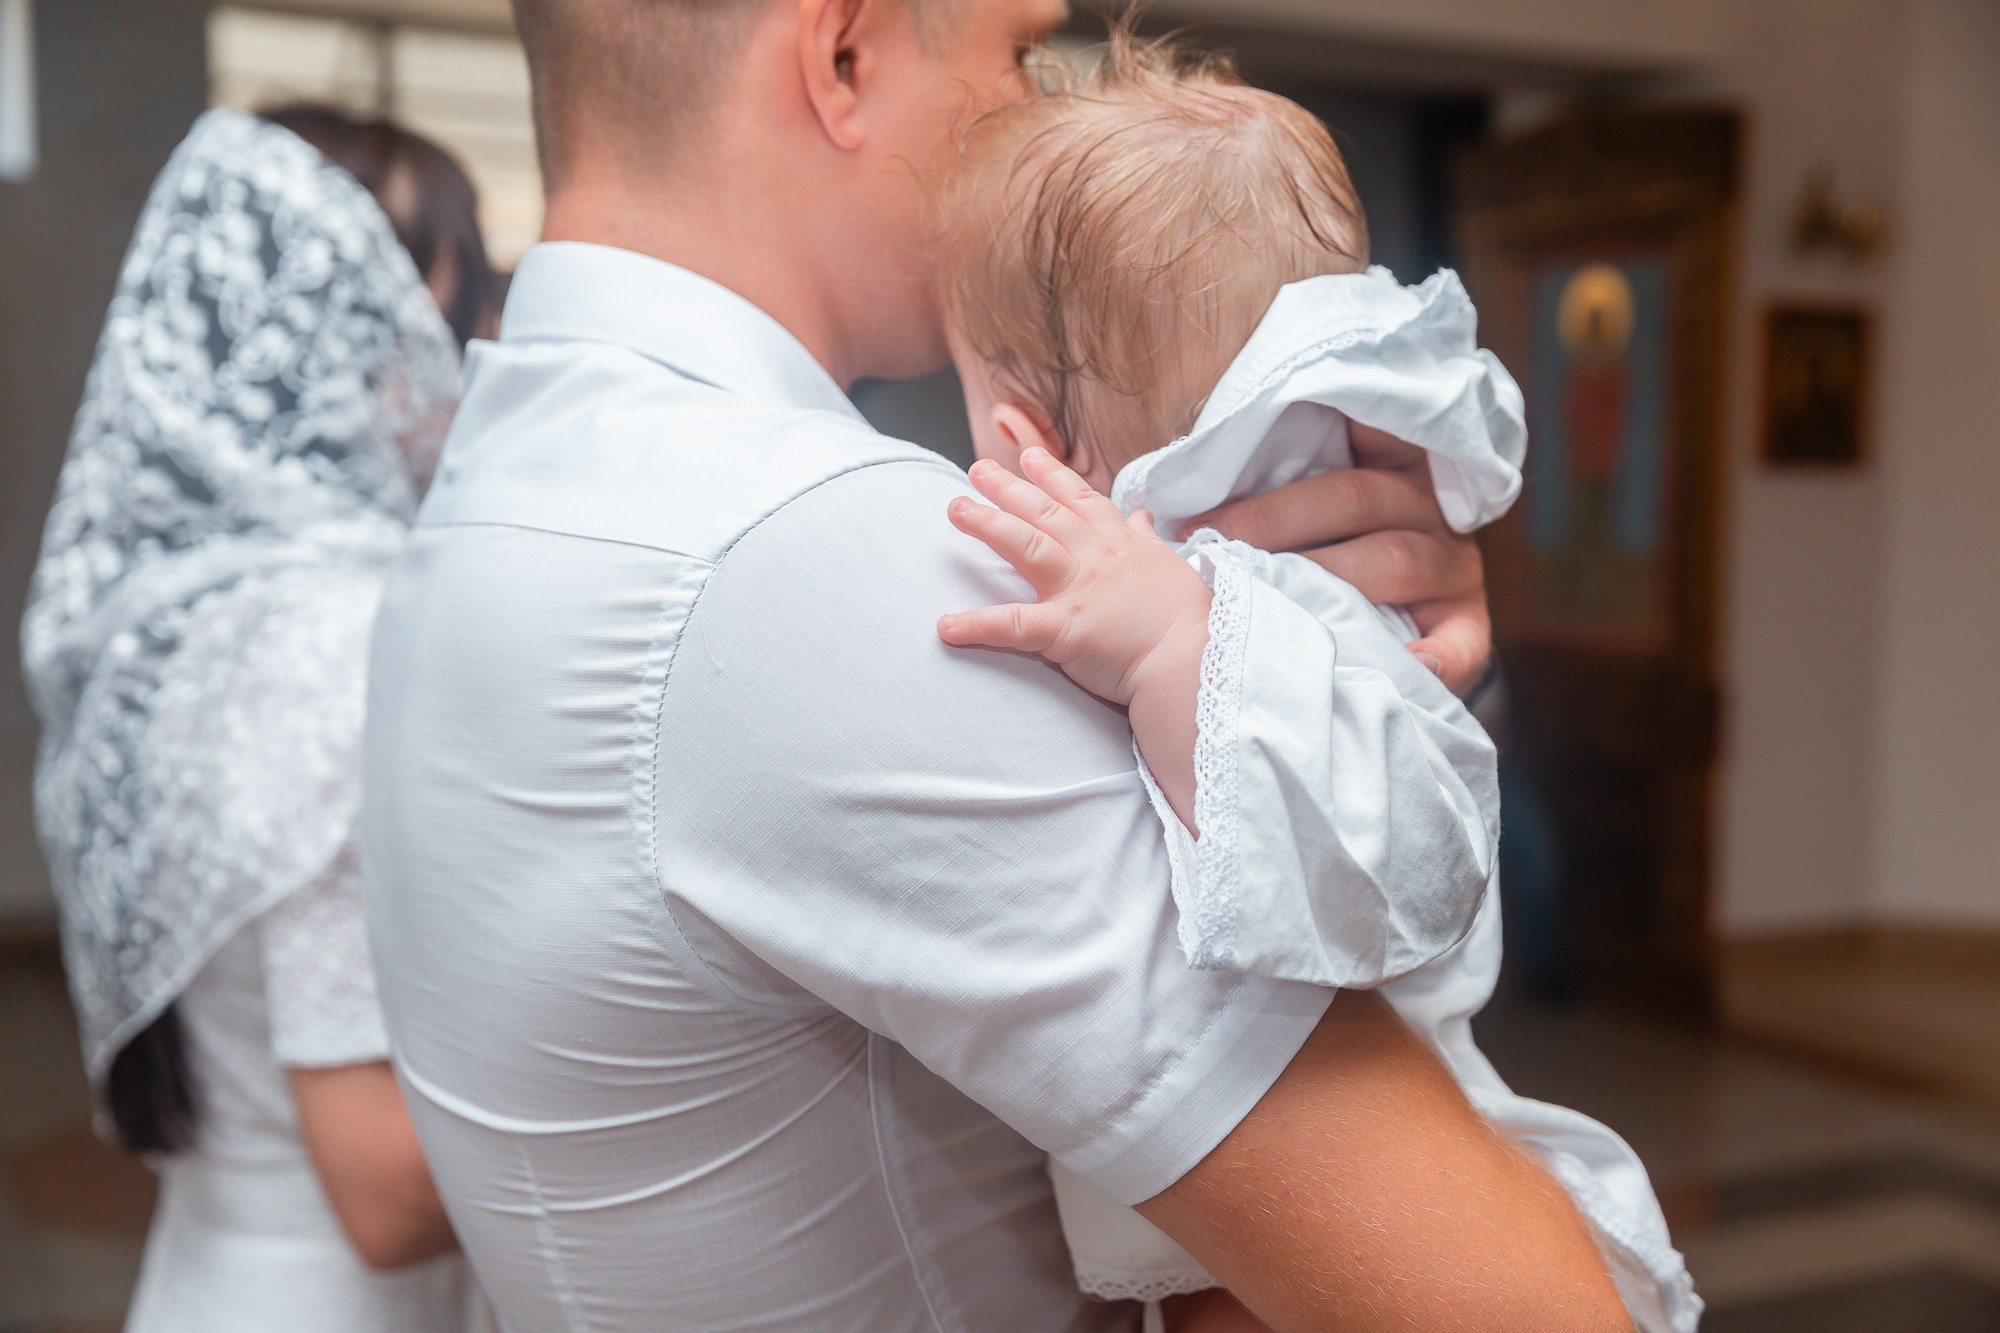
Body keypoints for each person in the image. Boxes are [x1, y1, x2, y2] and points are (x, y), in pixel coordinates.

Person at [359, 0, 1632, 1328]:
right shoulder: (832, 559)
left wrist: (1341, 638)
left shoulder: (484, 493)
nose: (1034, 110)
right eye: (1016, 57)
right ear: (842, 55)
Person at [929, 40, 1699, 1333]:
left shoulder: (1283, 609)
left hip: (1332, 1147)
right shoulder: (1257, 581)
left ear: (1023, 438)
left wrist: (1178, 650)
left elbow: (1405, 873)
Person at [20, 105, 494, 1332]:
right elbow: (383, 1192)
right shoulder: (331, 644)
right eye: (457, 285)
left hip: (203, 1271)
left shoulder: (182, 613)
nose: (481, 338)